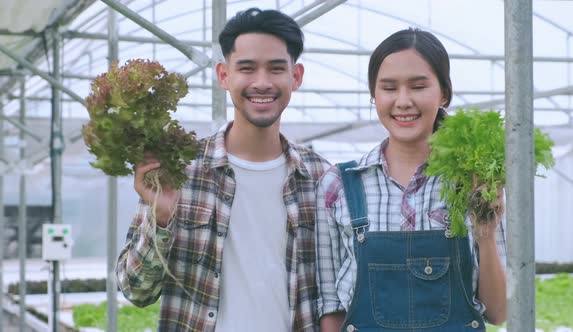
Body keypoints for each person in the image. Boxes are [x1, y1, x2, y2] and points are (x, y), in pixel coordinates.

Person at [116, 8, 330, 332]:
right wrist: (160, 219)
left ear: (296, 76)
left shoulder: (321, 179)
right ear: (223, 75)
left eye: (275, 69)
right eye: (247, 68)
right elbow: (135, 289)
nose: (262, 82)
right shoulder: (180, 170)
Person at [315, 28, 507, 331]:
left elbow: (498, 311)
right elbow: (331, 308)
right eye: (389, 88)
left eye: (418, 86)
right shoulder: (339, 185)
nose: (403, 101)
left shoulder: (474, 179)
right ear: (373, 95)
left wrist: (485, 232)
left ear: (443, 93)